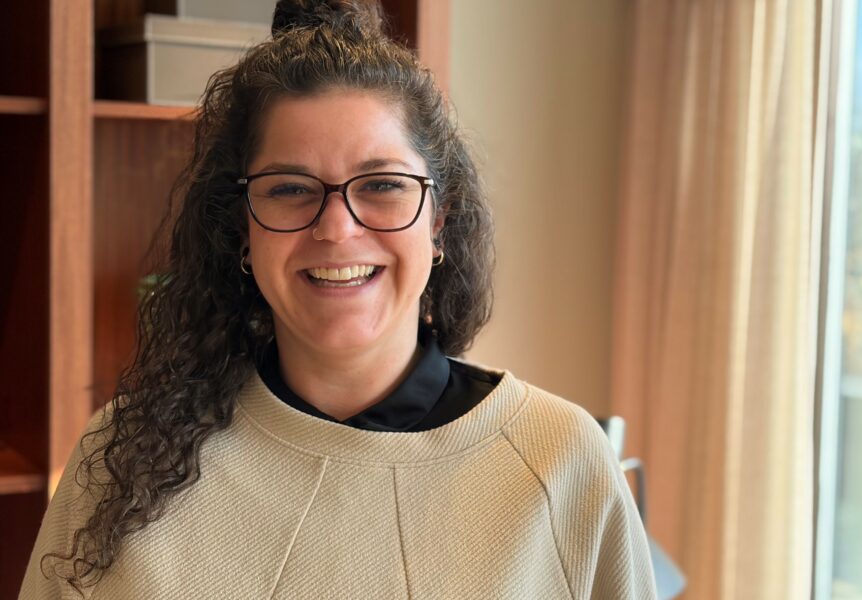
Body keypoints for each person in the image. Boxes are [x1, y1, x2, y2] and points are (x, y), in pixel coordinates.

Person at [19, 1, 655, 598]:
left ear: (438, 220)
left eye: (382, 184)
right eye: (290, 188)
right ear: (241, 230)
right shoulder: (123, 462)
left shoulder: (562, 464)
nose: (337, 229)